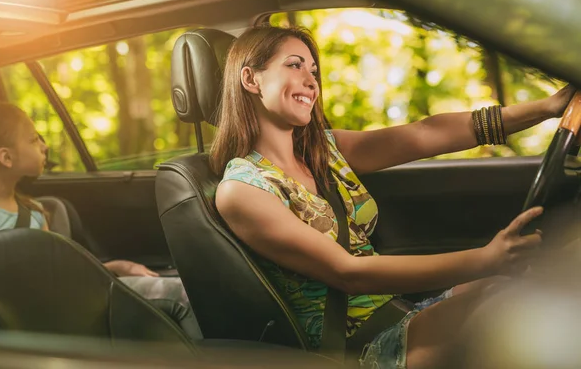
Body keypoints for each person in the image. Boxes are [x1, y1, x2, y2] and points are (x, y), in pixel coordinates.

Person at [212, 25, 575, 368]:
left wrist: (548, 107)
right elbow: (349, 272)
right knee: (526, 310)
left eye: (314, 70)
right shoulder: (242, 189)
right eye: (294, 65)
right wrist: (486, 259)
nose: (311, 80)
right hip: (360, 346)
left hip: (402, 312)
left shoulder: (326, 151)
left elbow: (425, 134)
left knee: (542, 280)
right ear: (250, 79)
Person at [0, 103, 202, 340]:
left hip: (65, 301)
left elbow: (62, 275)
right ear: (6, 157)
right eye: (34, 140)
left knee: (187, 290)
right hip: (41, 319)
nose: (44, 146)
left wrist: (116, 267)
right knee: (182, 297)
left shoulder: (35, 212)